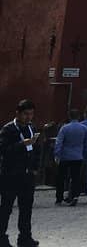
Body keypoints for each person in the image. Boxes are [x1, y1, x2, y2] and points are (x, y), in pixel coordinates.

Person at [0, 100, 40, 247]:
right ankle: (1, 238)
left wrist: (35, 168)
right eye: (26, 114)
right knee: (6, 209)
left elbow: (36, 150)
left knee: (26, 209)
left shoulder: (31, 128)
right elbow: (4, 150)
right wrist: (22, 144)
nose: (29, 117)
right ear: (18, 113)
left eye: (31, 114)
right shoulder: (8, 129)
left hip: (27, 175)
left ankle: (25, 238)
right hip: (10, 175)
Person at [54, 108, 87, 207]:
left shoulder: (64, 128)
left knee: (61, 178)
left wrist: (57, 154)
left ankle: (59, 198)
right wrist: (85, 154)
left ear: (69, 116)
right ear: (79, 117)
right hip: (78, 156)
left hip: (65, 156)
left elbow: (59, 142)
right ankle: (75, 196)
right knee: (75, 177)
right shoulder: (84, 128)